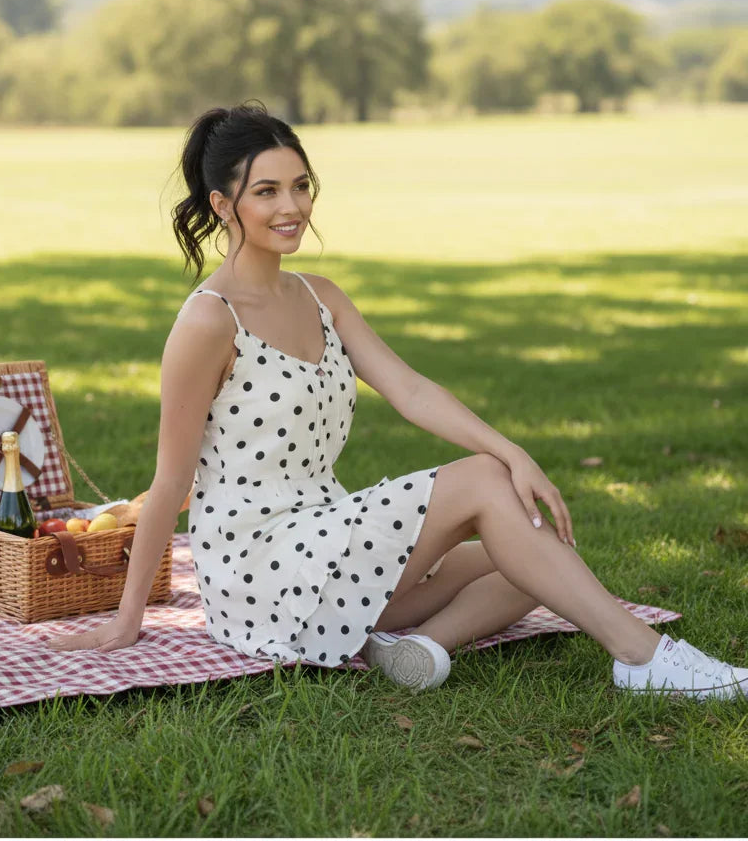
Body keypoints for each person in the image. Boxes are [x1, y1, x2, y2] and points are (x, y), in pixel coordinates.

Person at [49, 102, 747, 698]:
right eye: (266, 192)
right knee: (483, 486)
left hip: (324, 538)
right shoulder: (208, 320)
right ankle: (644, 658)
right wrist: (128, 617)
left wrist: (516, 453)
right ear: (223, 205)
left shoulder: (320, 296)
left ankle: (424, 650)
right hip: (262, 571)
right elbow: (172, 479)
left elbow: (410, 388)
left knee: (537, 550)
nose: (291, 207)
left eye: (300, 185)